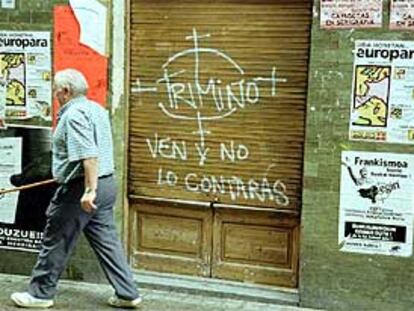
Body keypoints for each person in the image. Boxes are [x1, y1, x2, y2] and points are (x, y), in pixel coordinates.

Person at [10, 69, 141, 309]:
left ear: (66, 91)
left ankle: (40, 294)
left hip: (81, 188)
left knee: (56, 239)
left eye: (55, 90)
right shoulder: (96, 109)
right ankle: (127, 293)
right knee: (107, 240)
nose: (54, 94)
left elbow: (89, 156)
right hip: (106, 183)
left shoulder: (74, 116)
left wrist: (88, 191)